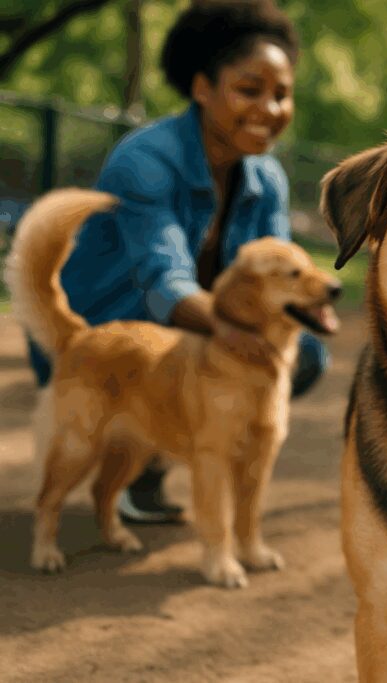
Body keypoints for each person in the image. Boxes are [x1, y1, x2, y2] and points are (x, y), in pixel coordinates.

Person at [24, 0, 328, 524]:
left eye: (282, 94)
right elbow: (163, 281)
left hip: (182, 335)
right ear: (202, 88)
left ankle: (155, 461)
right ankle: (138, 453)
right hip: (100, 336)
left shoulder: (266, 178)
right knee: (224, 352)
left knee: (305, 356)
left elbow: (284, 279)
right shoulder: (146, 160)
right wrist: (236, 336)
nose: (270, 109)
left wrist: (291, 320)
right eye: (249, 90)